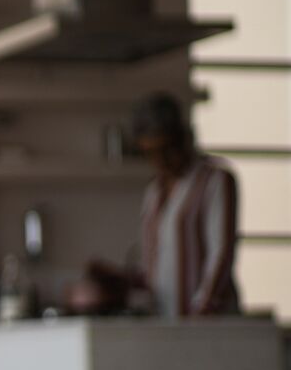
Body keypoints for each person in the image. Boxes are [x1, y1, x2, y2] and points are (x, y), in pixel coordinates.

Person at [91, 93, 240, 317]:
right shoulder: (154, 192)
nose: (161, 161)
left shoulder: (214, 181)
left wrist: (202, 313)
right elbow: (154, 268)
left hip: (206, 325)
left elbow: (221, 255)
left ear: (182, 138)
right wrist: (120, 280)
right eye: (150, 153)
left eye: (166, 150)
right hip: (165, 322)